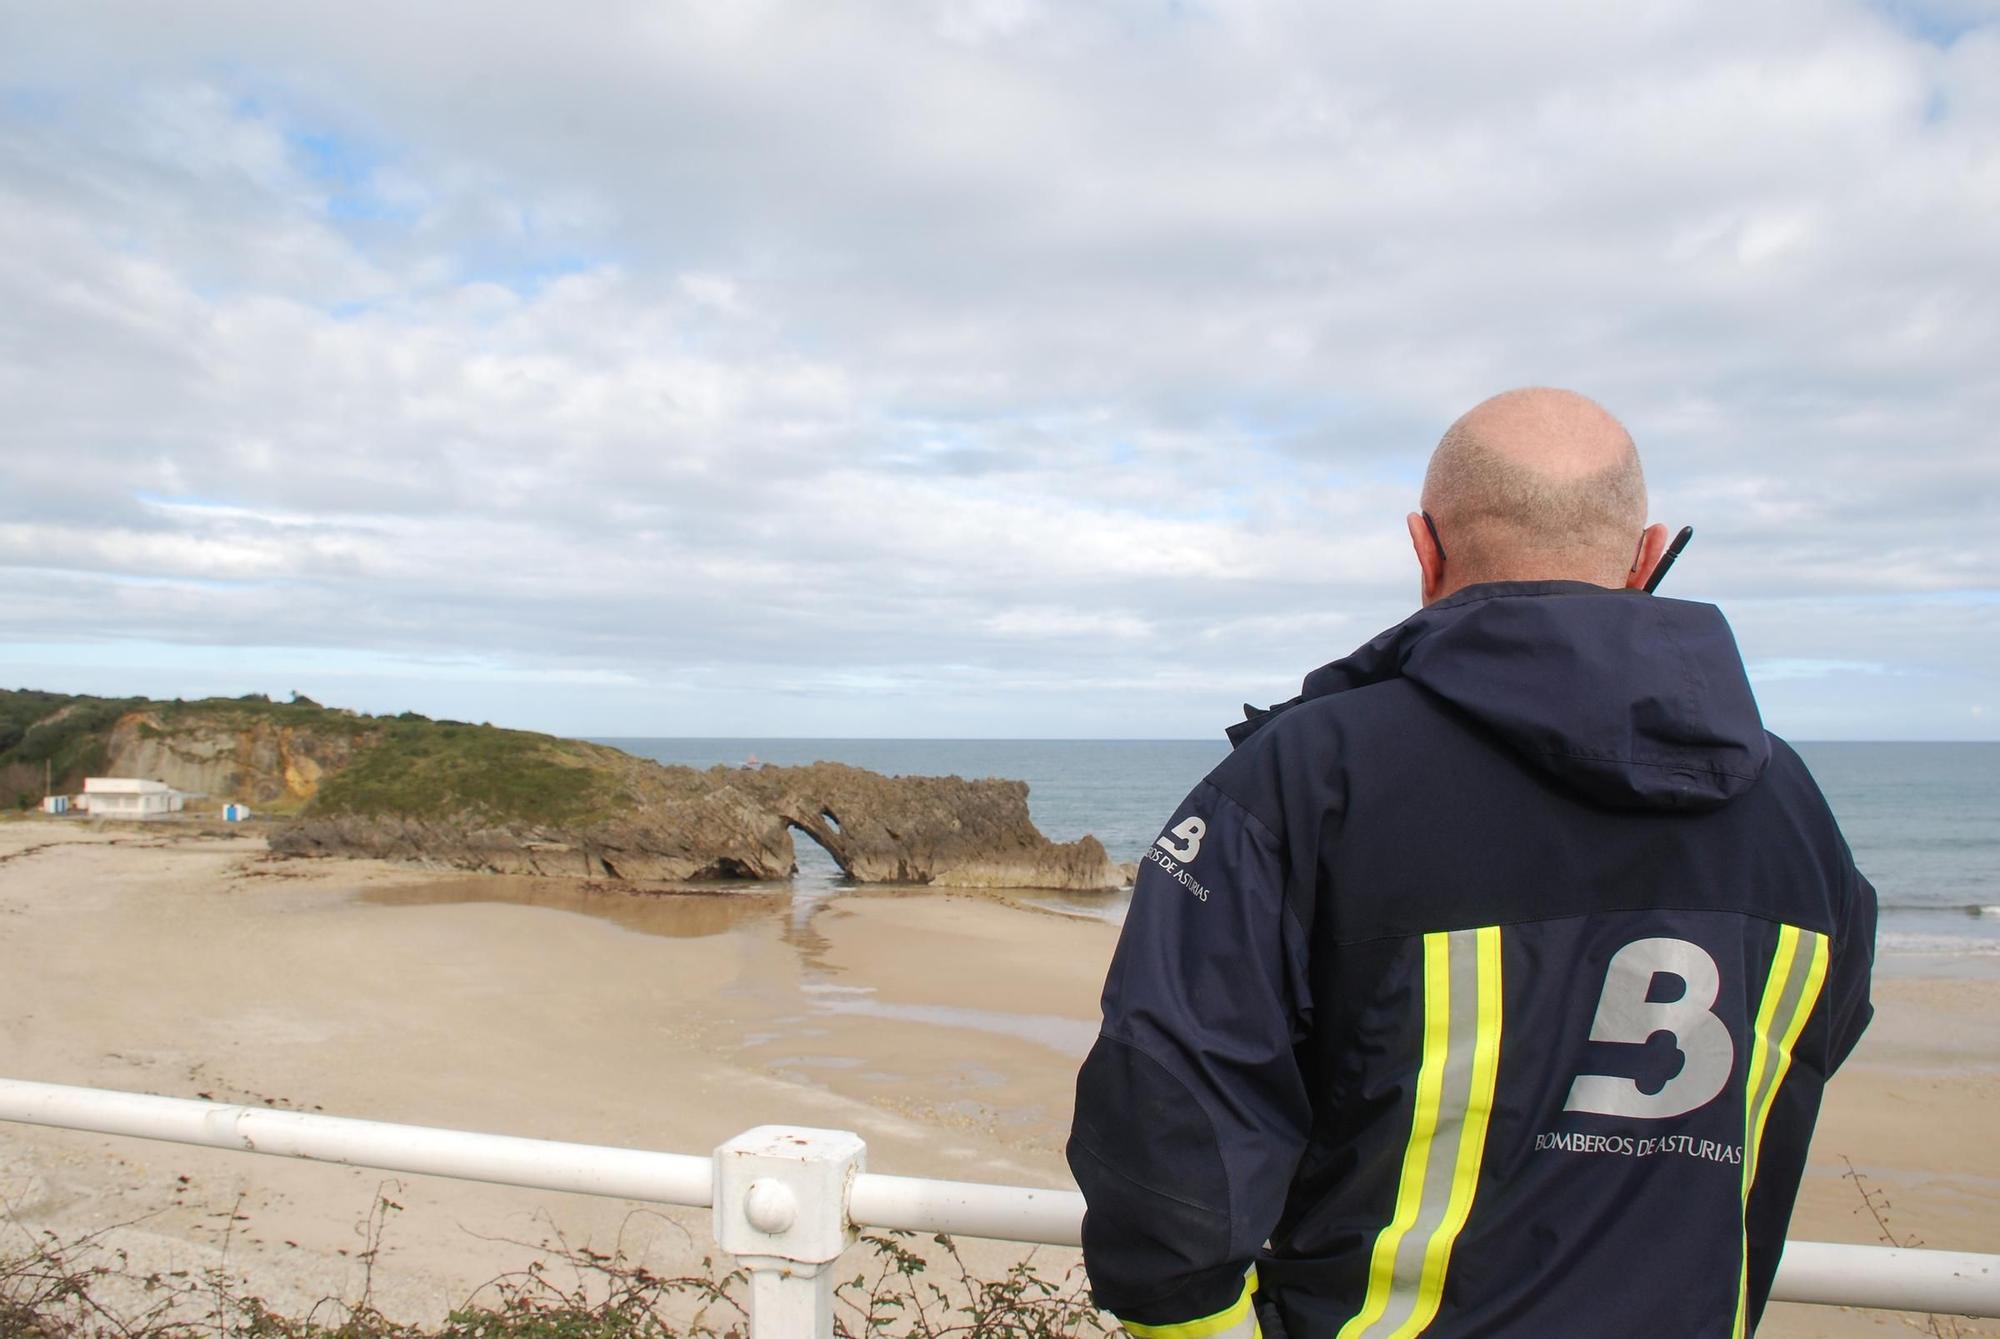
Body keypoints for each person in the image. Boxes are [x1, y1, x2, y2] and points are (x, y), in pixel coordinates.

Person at [1066, 388, 1876, 1338]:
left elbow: (1167, 1116)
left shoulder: (1309, 778)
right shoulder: (1795, 808)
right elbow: (1814, 1042)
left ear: (1425, 549)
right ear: (1647, 555)